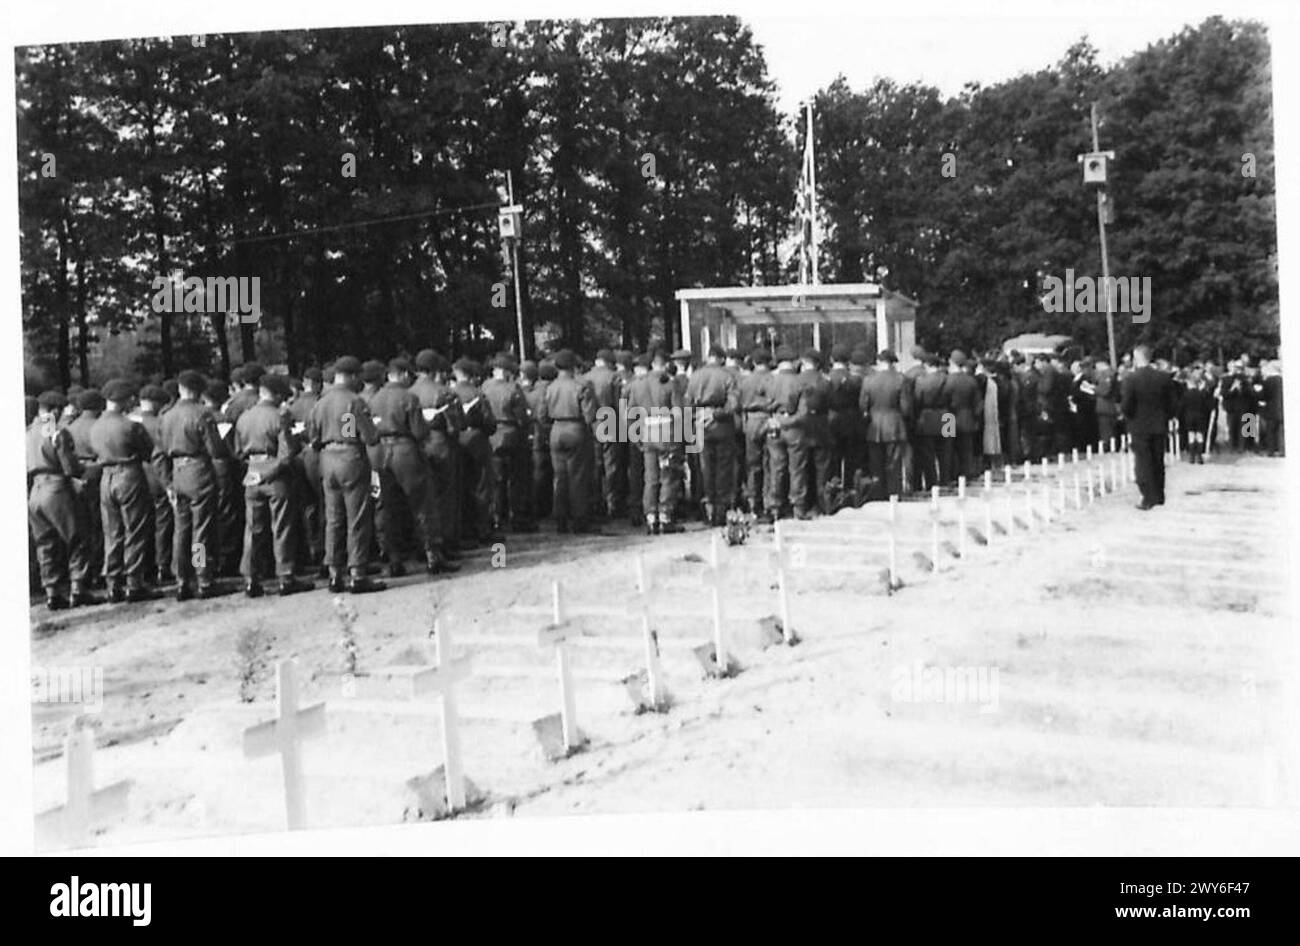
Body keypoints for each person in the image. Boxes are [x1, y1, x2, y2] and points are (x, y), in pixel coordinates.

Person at [307, 356, 386, 593]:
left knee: (333, 519)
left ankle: (334, 572)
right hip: (350, 459)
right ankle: (358, 573)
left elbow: (312, 437)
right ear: (352, 376)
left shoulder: (320, 402)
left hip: (327, 461)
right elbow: (369, 436)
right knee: (357, 518)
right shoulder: (354, 402)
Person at [235, 374, 313, 596]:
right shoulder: (279, 416)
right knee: (281, 527)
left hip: (252, 474)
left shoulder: (244, 417)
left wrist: (254, 470)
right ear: (277, 395)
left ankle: (251, 578)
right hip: (275, 475)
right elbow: (286, 453)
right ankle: (285, 576)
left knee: (252, 530)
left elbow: (238, 451)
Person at [159, 370, 230, 600]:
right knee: (201, 531)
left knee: (181, 531)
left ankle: (181, 580)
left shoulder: (166, 416)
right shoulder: (203, 414)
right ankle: (203, 578)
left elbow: (158, 455)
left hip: (177, 474)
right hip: (199, 473)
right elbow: (216, 449)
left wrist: (167, 482)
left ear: (180, 388)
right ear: (199, 390)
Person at [88, 380, 161, 602]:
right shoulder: (131, 426)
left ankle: (112, 583)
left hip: (106, 478)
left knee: (112, 532)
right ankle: (134, 582)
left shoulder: (96, 426)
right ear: (124, 400)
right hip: (129, 475)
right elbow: (149, 452)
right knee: (135, 530)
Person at [28, 391, 95, 609]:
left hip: (35, 490)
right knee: (78, 537)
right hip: (56, 488)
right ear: (55, 409)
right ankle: (78, 589)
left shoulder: (28, 432)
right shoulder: (53, 430)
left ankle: (52, 592)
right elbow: (69, 466)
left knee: (45, 543)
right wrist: (84, 470)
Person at [539, 349, 599, 533]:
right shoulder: (581, 386)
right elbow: (590, 416)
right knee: (578, 476)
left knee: (560, 477)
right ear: (574, 366)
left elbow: (541, 416)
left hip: (556, 430)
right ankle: (579, 520)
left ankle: (560, 519)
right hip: (576, 429)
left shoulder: (549, 388)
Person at [625, 351, 684, 533]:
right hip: (666, 433)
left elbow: (630, 414)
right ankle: (665, 515)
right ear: (665, 364)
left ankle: (650, 516)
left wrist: (635, 436)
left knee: (650, 477)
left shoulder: (637, 385)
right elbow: (678, 412)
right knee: (668, 475)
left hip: (646, 433)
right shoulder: (670, 383)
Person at [684, 344, 741, 525]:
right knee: (723, 470)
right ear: (722, 359)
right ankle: (720, 512)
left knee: (704, 470)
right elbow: (733, 405)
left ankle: (707, 508)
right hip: (722, 427)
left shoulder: (695, 376)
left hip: (701, 426)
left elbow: (687, 403)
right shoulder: (728, 376)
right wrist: (715, 414)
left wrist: (698, 415)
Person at [482, 353, 535, 533]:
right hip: (512, 435)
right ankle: (517, 518)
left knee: (495, 480)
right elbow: (522, 417)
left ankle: (497, 517)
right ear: (505, 372)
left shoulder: (484, 387)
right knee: (516, 479)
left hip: (491, 436)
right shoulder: (513, 389)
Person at [1120, 344, 1176, 510]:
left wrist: (1128, 416)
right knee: (1157, 460)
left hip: (1139, 425)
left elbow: (1127, 404)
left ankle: (1148, 496)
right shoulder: (1163, 377)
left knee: (1143, 462)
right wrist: (1166, 417)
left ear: (1137, 357)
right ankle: (1159, 494)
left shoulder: (1131, 378)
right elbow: (1172, 403)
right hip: (1159, 425)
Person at [859, 349, 911, 498]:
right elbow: (906, 408)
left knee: (876, 464)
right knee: (894, 464)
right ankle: (894, 493)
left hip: (874, 426)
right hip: (894, 425)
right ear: (892, 363)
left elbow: (863, 405)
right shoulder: (901, 379)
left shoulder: (868, 380)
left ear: (879, 362)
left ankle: (877, 493)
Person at [136, 384, 174, 585]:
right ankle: (166, 565)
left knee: (136, 527)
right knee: (166, 525)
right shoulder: (161, 423)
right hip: (159, 479)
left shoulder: (129, 421)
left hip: (132, 480)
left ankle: (140, 569)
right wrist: (168, 483)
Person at [739, 348, 773, 519]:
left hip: (751, 420)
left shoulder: (745, 381)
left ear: (753, 362)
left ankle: (754, 503)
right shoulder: (773, 379)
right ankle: (769, 503)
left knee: (753, 465)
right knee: (771, 463)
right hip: (769, 419)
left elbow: (739, 402)